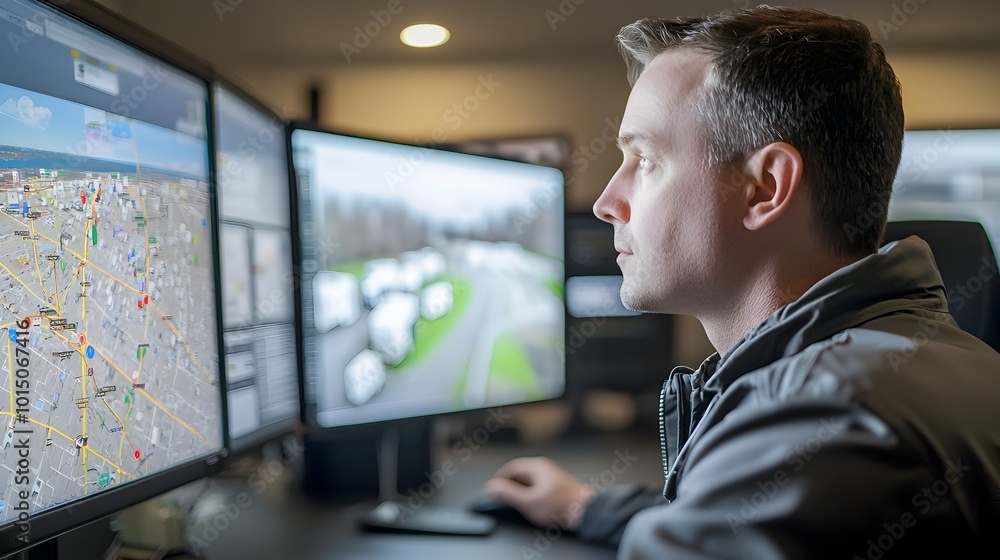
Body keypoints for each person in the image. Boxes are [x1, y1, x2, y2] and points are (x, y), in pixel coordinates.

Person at [484, 6, 1000, 558]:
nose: (609, 203)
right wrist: (585, 507)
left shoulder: (827, 418)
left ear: (765, 188)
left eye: (645, 159)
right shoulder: (908, 367)